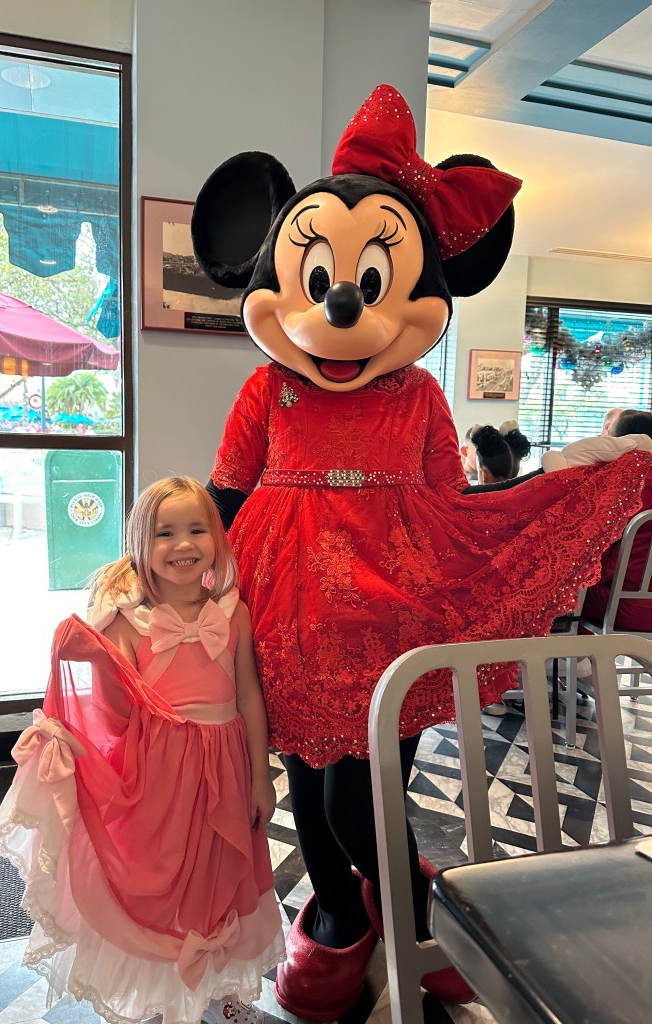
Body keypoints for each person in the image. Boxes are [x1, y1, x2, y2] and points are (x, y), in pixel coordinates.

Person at [192, 83, 650, 1018]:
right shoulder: (267, 391)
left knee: (363, 797)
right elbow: (226, 495)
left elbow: (453, 508)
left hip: (391, 620)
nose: (342, 304)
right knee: (309, 784)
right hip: (287, 620)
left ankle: (408, 909)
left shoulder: (420, 398)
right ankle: (340, 915)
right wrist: (161, 559)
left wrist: (562, 485)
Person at [0, 476, 284, 1024]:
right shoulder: (127, 623)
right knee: (160, 879)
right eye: (164, 533)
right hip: (159, 777)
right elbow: (111, 711)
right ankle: (159, 997)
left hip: (225, 769)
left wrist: (261, 777)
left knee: (219, 875)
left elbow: (249, 697)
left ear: (217, 538)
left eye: (196, 529)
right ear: (139, 545)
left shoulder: (234, 614)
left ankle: (219, 990)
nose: (182, 544)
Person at [581, 410, 652, 631]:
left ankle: (581, 653)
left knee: (556, 593)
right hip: (642, 602)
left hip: (625, 603)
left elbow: (593, 556)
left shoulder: (623, 487)